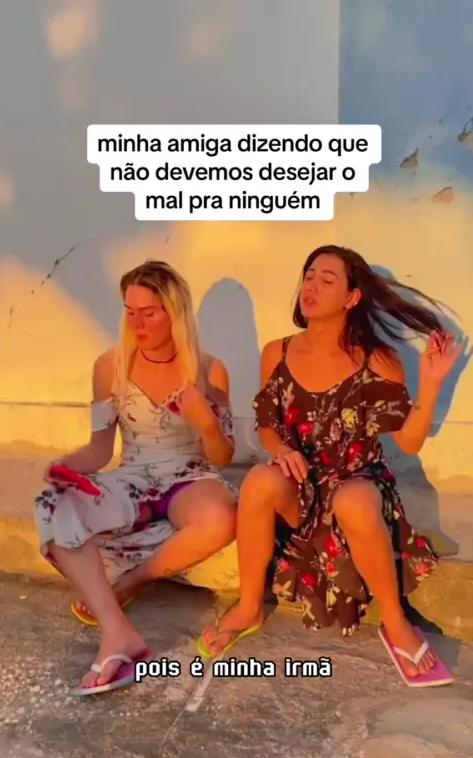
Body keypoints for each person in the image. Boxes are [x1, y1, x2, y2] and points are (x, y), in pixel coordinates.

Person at [197, 245, 461, 685]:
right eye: (308, 276)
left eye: (326, 280)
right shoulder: (277, 352)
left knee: (353, 499)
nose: (311, 287)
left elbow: (409, 441)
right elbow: (268, 426)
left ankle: (395, 621)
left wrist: (431, 385)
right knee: (260, 479)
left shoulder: (377, 359)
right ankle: (248, 606)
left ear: (352, 297)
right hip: (302, 487)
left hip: (357, 480)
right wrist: (281, 450)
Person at [34, 259, 237, 694]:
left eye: (149, 312)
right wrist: (67, 466)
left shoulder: (209, 369)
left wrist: (206, 421)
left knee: (220, 519)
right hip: (133, 477)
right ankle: (118, 633)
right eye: (130, 311)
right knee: (51, 503)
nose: (137, 323)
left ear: (174, 313)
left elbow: (222, 456)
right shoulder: (110, 367)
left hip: (190, 476)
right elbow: (99, 449)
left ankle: (131, 583)